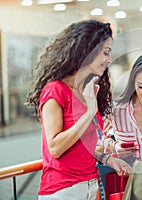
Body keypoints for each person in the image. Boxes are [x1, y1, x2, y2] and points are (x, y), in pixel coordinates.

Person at [26, 19, 131, 200]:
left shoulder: (87, 90)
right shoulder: (55, 90)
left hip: (90, 186)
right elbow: (56, 147)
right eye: (105, 53)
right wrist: (90, 111)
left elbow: (81, 146)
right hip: (63, 191)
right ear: (87, 50)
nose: (109, 60)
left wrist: (106, 159)